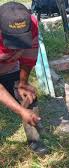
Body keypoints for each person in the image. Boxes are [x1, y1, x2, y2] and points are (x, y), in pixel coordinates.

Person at [0, 2, 48, 155]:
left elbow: (28, 58)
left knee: (28, 96)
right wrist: (20, 111)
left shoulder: (31, 24)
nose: (16, 47)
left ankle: (35, 142)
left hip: (9, 67)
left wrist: (23, 83)